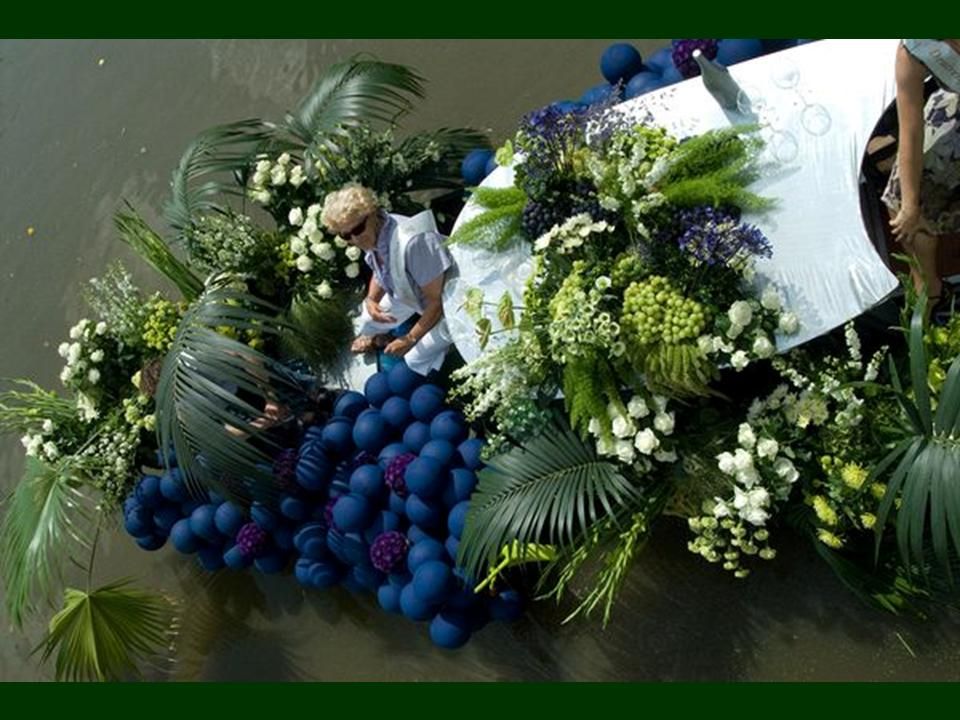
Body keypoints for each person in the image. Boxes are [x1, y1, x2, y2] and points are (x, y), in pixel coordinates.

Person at [320, 184, 456, 376]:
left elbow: (437, 301)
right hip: (409, 289)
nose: (355, 239)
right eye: (345, 235)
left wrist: (410, 338)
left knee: (415, 361)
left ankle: (444, 350)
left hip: (448, 303)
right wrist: (371, 299)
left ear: (373, 213)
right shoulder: (376, 235)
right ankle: (380, 337)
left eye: (358, 229)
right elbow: (381, 270)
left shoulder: (412, 242)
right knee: (367, 319)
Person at [883, 39, 960, 307]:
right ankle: (930, 290)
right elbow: (911, 133)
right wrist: (910, 205)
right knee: (899, 197)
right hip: (955, 101)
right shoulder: (912, 51)